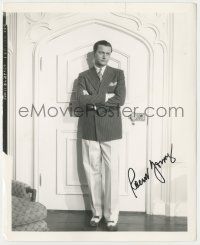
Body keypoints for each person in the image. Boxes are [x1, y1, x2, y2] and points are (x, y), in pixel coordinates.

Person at [76, 40, 126, 231]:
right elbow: (81, 100)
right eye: (101, 52)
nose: (104, 56)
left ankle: (111, 216)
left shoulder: (118, 74)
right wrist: (105, 97)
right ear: (94, 54)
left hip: (111, 129)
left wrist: (94, 100)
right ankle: (96, 214)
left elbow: (120, 99)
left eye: (108, 53)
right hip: (89, 128)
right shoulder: (83, 76)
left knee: (112, 172)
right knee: (92, 171)